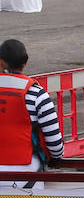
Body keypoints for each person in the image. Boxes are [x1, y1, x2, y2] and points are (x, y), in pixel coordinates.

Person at [0, 38, 64, 173]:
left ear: (1, 61)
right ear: (25, 63)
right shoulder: (37, 94)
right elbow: (55, 143)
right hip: (27, 172)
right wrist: (56, 157)